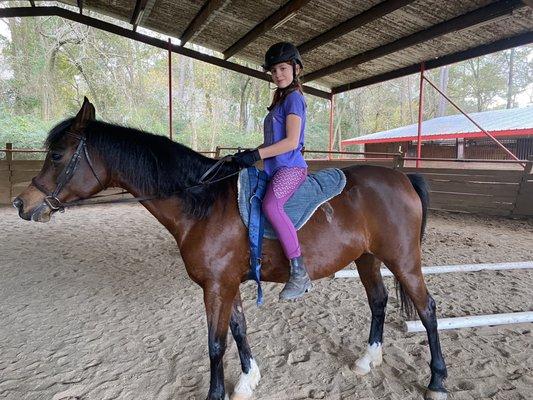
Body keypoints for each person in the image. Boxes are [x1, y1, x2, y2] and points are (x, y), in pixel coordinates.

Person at [233, 42, 311, 300]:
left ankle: (299, 272)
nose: (278, 74)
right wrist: (248, 155)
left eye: (283, 68)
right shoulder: (279, 102)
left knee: (271, 207)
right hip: (274, 168)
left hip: (290, 168)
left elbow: (290, 142)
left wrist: (258, 155)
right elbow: (270, 144)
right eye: (274, 70)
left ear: (295, 68)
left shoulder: (294, 99)